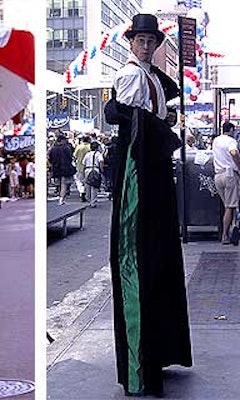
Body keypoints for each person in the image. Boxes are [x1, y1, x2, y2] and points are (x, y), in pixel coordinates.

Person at [104, 13, 192, 397]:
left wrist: (165, 117)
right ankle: (140, 365)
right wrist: (163, 121)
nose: (145, 45)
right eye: (140, 40)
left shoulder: (151, 76)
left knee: (158, 257)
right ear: (131, 42)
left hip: (152, 169)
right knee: (136, 257)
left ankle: (156, 353)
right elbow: (132, 121)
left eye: (150, 41)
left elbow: (156, 112)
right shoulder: (129, 77)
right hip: (139, 168)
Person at [212, 121, 240, 244]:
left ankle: (233, 227)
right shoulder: (231, 141)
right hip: (229, 175)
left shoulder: (216, 140)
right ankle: (225, 235)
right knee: (230, 206)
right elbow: (234, 152)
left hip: (218, 176)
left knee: (228, 205)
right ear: (231, 130)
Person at [48, 134, 76, 205]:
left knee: (58, 184)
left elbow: (50, 159)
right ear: (62, 141)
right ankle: (61, 199)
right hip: (65, 169)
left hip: (56, 169)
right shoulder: (66, 148)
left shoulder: (53, 149)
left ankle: (60, 196)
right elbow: (70, 158)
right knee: (64, 184)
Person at [82, 141, 103, 207]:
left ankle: (88, 198)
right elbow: (101, 161)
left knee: (87, 185)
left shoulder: (87, 154)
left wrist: (83, 171)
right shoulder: (98, 154)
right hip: (95, 170)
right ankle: (93, 201)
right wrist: (101, 169)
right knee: (94, 187)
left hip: (87, 170)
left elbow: (83, 163)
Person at [73, 136, 91, 202]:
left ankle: (82, 191)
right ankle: (87, 193)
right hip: (88, 166)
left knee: (79, 181)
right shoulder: (90, 147)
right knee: (86, 181)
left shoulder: (79, 147)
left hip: (79, 166)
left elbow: (74, 156)